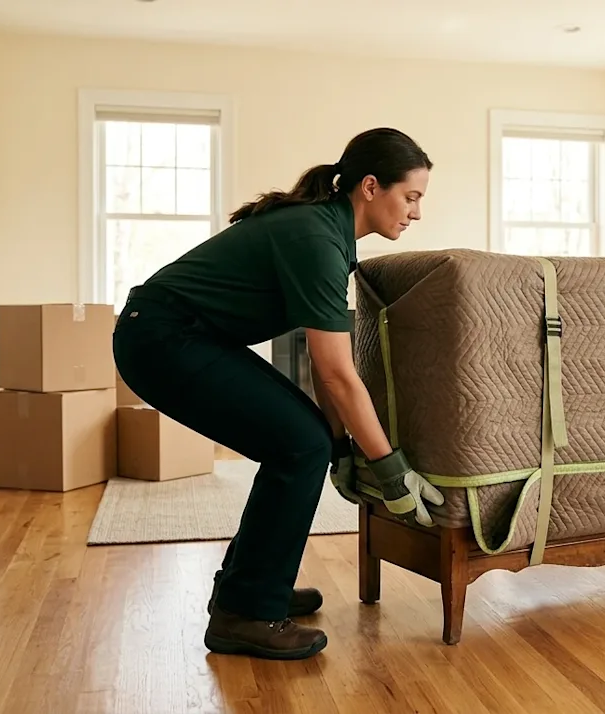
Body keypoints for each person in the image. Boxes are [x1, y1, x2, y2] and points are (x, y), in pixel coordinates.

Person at [112, 127, 446, 660]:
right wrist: (390, 468)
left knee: (305, 439)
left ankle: (251, 586)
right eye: (411, 196)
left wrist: (340, 447)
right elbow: (338, 375)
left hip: (181, 336)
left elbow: (321, 367)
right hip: (161, 339)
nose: (417, 212)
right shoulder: (316, 239)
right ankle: (244, 613)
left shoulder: (326, 234)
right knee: (298, 444)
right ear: (369, 187)